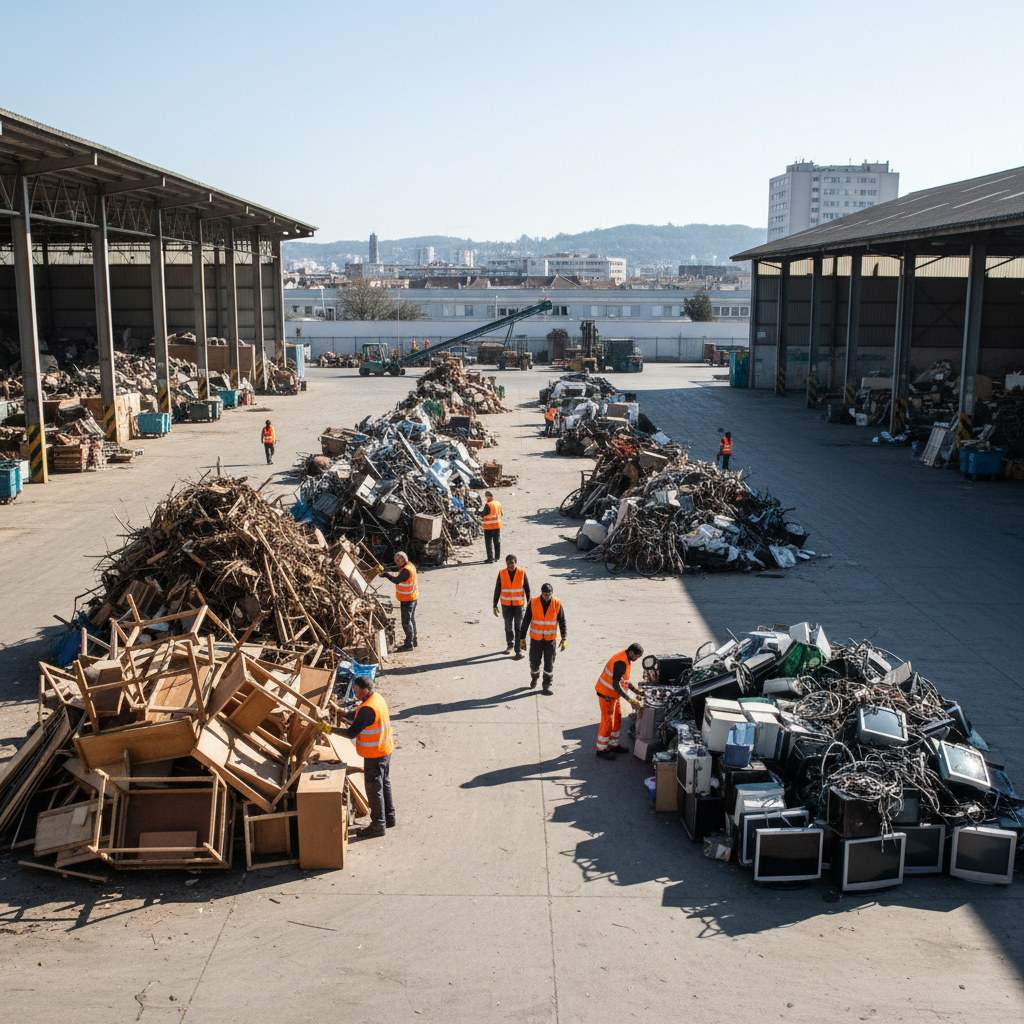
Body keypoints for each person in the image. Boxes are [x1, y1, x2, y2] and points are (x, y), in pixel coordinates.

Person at [345, 676, 395, 838]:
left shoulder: (367, 709)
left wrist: (327, 728)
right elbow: (359, 717)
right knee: (384, 783)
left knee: (373, 788)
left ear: (365, 690)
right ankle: (389, 817)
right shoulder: (376, 698)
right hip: (385, 749)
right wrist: (343, 713)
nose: (354, 693)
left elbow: (351, 733)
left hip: (375, 754)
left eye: (356, 690)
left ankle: (378, 825)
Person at [594, 643, 644, 760]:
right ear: (632, 653)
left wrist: (637, 692)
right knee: (608, 722)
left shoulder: (626, 658)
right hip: (606, 694)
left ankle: (613, 744)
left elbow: (624, 681)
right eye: (637, 656)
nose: (637, 659)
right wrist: (629, 699)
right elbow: (615, 684)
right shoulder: (621, 662)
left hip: (613, 695)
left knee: (617, 718)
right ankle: (601, 749)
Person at [518, 583, 567, 694]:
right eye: (545, 594)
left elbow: (562, 621)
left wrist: (564, 638)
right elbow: (526, 620)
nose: (547, 596)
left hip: (550, 640)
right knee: (534, 662)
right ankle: (534, 678)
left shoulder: (557, 603)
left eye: (549, 594)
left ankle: (547, 686)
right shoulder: (533, 602)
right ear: (541, 593)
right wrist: (522, 638)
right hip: (536, 640)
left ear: (552, 593)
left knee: (549, 664)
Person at [492, 554, 531, 657]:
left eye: (512, 563)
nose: (510, 565)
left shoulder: (522, 573)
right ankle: (510, 645)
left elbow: (527, 589)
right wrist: (494, 604)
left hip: (518, 605)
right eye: (508, 563)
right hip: (506, 606)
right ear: (506, 563)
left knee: (518, 628)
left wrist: (529, 604)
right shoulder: (502, 573)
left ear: (515, 562)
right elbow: (497, 589)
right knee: (508, 627)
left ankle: (518, 650)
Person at [380, 551, 418, 649]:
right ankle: (414, 639)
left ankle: (409, 643)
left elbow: (396, 580)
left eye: (397, 560)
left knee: (406, 622)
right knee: (411, 620)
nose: (396, 562)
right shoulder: (410, 566)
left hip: (408, 599)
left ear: (403, 559)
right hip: (412, 597)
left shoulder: (406, 571)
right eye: (395, 560)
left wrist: (386, 575)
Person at [482, 490, 502, 563]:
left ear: (488, 497)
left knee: (489, 542)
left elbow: (483, 514)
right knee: (497, 541)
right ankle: (497, 557)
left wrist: (477, 512)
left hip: (489, 526)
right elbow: (501, 513)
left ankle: (490, 558)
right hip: (497, 525)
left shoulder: (488, 505)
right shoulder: (498, 503)